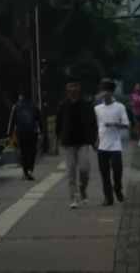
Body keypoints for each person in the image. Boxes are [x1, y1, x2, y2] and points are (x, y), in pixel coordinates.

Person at [54, 77, 98, 209]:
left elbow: (93, 123)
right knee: (70, 170)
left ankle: (83, 189)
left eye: (75, 86)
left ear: (79, 88)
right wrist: (55, 143)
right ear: (67, 89)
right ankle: (73, 197)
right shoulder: (62, 105)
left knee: (85, 168)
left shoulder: (86, 104)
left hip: (84, 141)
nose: (73, 88)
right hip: (68, 142)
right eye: (70, 86)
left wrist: (95, 140)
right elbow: (58, 125)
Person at [94, 81, 129, 205]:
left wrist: (114, 125)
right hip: (102, 145)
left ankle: (118, 188)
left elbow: (126, 124)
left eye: (107, 91)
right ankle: (108, 198)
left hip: (115, 145)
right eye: (103, 91)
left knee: (117, 170)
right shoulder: (97, 109)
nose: (104, 94)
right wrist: (96, 140)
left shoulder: (119, 107)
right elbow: (96, 126)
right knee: (104, 173)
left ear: (111, 92)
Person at [7, 91, 42, 180]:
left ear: (21, 96)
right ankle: (30, 170)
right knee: (32, 151)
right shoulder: (35, 105)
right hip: (33, 132)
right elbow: (40, 119)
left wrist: (9, 133)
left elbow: (12, 120)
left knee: (23, 151)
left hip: (21, 132)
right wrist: (42, 131)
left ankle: (25, 172)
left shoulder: (17, 106)